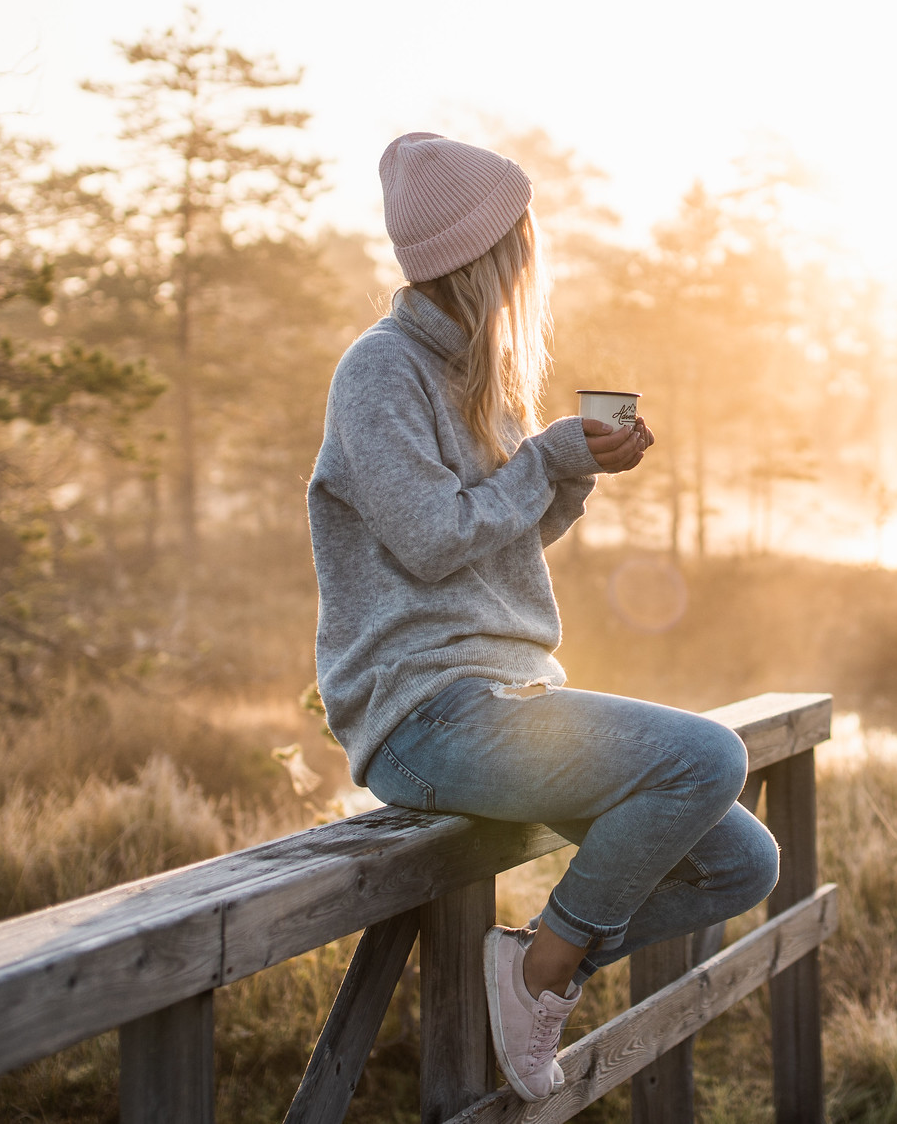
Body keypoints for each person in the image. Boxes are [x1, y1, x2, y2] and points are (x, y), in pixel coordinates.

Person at [307, 133, 780, 1102]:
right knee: (705, 757)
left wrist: (573, 474)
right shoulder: (380, 374)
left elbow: (495, 549)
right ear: (483, 257)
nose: (533, 257)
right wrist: (547, 459)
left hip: (502, 701)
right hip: (422, 716)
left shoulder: (476, 375)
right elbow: (436, 540)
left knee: (740, 861)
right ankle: (537, 975)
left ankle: (538, 960)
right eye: (521, 239)